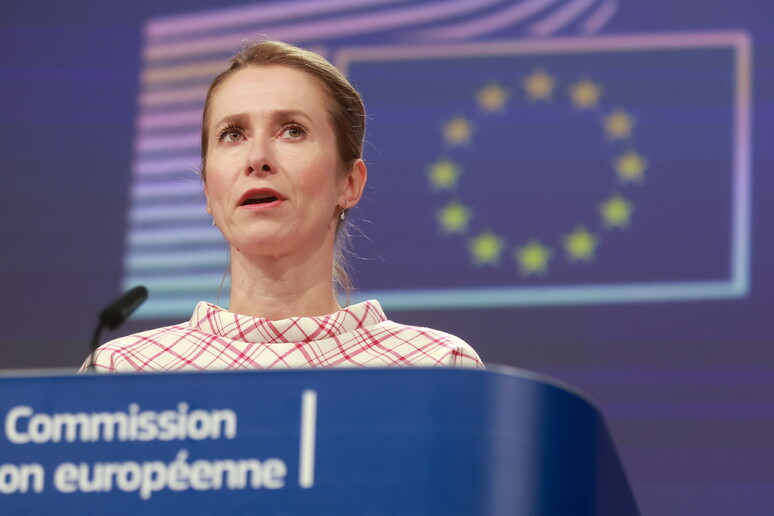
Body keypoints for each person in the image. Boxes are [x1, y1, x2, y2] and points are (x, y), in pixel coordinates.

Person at [82, 40, 483, 372]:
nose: (257, 158)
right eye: (233, 134)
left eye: (292, 131)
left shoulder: (438, 368)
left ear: (349, 183)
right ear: (207, 191)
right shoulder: (124, 371)